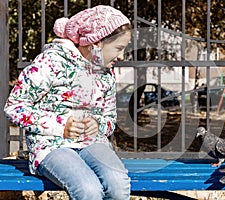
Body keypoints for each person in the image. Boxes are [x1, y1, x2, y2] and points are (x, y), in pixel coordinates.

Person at [4, 5, 132, 200]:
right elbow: (14, 106)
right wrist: (61, 126)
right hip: (52, 146)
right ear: (96, 43)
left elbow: (109, 119)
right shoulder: (51, 63)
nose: (122, 56)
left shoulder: (106, 73)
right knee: (88, 190)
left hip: (93, 144)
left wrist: (98, 124)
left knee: (118, 184)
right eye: (118, 49)